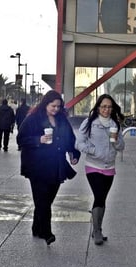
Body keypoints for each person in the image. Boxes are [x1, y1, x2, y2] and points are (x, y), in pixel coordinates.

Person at [16, 90, 80, 245]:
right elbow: (21, 139)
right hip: (37, 166)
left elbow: (70, 139)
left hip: (56, 164)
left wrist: (73, 153)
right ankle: (46, 231)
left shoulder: (62, 120)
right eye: (53, 106)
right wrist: (39, 140)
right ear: (46, 104)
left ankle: (37, 227)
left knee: (46, 199)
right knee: (42, 200)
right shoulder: (33, 119)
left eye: (58, 106)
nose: (56, 109)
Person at [75, 94, 125, 245]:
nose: (106, 109)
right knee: (99, 196)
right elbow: (79, 143)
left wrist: (116, 141)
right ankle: (97, 231)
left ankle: (97, 227)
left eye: (109, 107)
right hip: (93, 166)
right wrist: (92, 150)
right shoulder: (89, 122)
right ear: (98, 107)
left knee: (102, 198)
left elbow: (122, 147)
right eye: (103, 106)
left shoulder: (115, 124)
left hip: (109, 167)